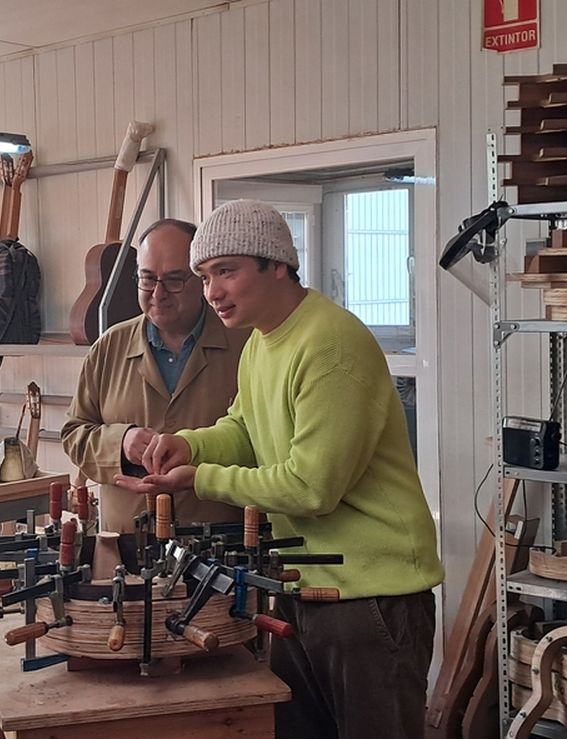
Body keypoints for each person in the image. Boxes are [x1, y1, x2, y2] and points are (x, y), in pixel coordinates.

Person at [116, 200, 444, 739]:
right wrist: (187, 446)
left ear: (277, 265)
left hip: (371, 596)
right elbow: (243, 428)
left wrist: (200, 478)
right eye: (205, 276)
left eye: (227, 271)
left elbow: (311, 487)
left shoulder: (329, 344)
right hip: (302, 584)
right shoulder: (262, 342)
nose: (212, 291)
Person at [60, 219, 248, 532]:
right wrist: (121, 442)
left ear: (202, 279)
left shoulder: (246, 345)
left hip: (224, 544)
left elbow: (265, 445)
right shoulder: (109, 346)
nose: (158, 294)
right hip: (124, 545)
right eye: (147, 279)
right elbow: (73, 434)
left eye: (174, 280)